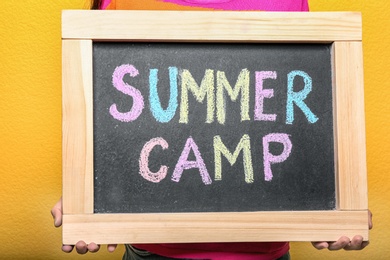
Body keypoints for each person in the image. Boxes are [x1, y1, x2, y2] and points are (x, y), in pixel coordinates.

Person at [53, 0, 373, 258]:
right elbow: (111, 125)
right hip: (153, 251)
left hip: (264, 254)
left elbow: (307, 124)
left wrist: (334, 206)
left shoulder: (287, 3)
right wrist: (91, 197)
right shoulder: (124, 2)